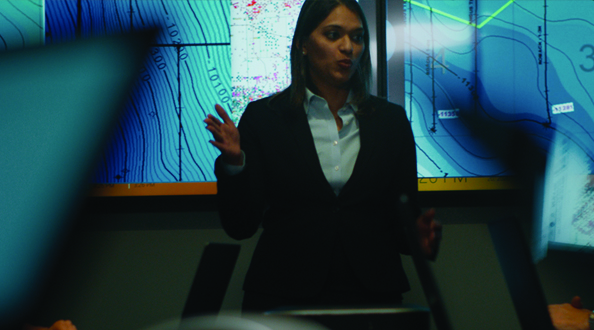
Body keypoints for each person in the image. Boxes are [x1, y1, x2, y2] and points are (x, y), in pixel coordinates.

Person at [204, 0, 441, 312]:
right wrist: (234, 163)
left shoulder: (391, 121)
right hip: (283, 294)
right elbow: (240, 226)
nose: (347, 47)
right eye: (333, 35)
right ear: (303, 44)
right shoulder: (265, 117)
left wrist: (417, 239)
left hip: (372, 296)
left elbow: (402, 226)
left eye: (357, 38)